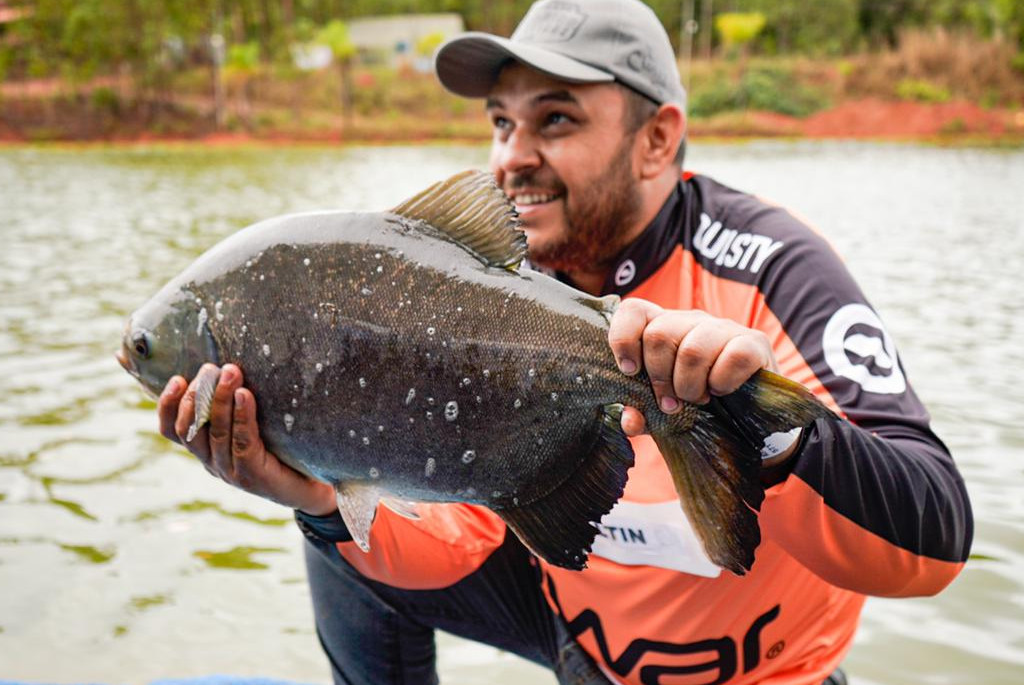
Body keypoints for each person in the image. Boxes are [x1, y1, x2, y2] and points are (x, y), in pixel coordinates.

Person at [156, 1, 973, 683]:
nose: (513, 156)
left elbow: (936, 537)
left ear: (657, 138)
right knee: (336, 536)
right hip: (580, 630)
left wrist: (773, 437)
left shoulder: (773, 265)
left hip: (768, 669)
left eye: (555, 118)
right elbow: (458, 536)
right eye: (501, 121)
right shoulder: (495, 286)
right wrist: (318, 497)